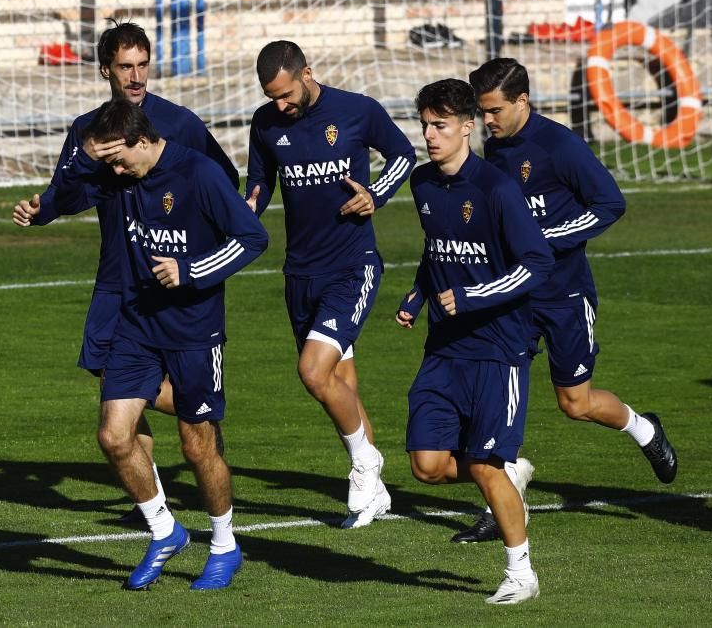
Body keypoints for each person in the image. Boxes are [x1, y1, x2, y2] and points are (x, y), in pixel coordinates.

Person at [12, 20, 243, 522]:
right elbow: (66, 195)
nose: (136, 76)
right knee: (113, 383)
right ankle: (160, 490)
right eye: (125, 67)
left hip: (166, 277)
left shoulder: (179, 122)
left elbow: (224, 181)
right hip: (115, 280)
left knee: (141, 397)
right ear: (105, 71)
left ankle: (201, 422)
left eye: (143, 65)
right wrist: (42, 210)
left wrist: (195, 249)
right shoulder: (87, 129)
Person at [447, 58, 679, 543]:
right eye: (482, 112)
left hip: (565, 297)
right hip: (512, 299)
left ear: (522, 102)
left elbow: (610, 204)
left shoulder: (561, 146)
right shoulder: (495, 146)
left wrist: (546, 238)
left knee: (575, 403)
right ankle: (501, 498)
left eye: (493, 110)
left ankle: (644, 430)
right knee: (489, 398)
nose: (486, 121)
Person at [66, 99, 268, 589]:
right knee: (114, 435)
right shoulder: (123, 174)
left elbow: (253, 238)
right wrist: (86, 154)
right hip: (137, 324)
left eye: (118, 159)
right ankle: (164, 529)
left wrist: (192, 270)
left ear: (142, 140)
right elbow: (68, 192)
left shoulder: (198, 173)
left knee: (197, 446)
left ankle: (224, 544)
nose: (114, 171)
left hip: (194, 331)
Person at [243, 40, 416, 528]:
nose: (281, 105)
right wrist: (243, 211)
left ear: (307, 73)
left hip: (351, 266)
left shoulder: (358, 110)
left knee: (313, 371)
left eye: (286, 94)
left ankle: (365, 464)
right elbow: (259, 185)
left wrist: (376, 195)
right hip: (299, 272)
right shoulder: (265, 122)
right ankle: (375, 494)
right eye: (271, 97)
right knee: (339, 385)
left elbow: (402, 153)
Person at [397, 78, 553, 604]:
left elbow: (537, 261)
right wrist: (417, 298)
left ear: (467, 127)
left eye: (439, 125)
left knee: (484, 465)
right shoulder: (422, 185)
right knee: (427, 465)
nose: (429, 135)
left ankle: (521, 574)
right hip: (444, 350)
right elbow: (436, 253)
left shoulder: (497, 189)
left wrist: (472, 295)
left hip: (498, 350)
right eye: (424, 125)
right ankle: (511, 478)